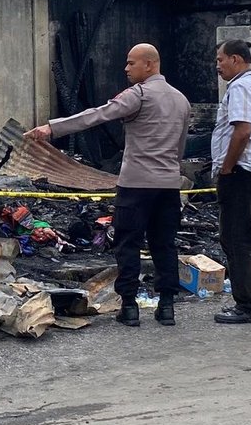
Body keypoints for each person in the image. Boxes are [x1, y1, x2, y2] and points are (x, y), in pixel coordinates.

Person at [25, 43, 190, 328]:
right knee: (165, 245)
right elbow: (180, 146)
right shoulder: (181, 100)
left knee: (128, 243)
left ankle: (129, 306)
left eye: (131, 63)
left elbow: (98, 114)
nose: (126, 69)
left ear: (149, 65)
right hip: (168, 185)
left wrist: (53, 128)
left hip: (136, 184)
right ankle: (166, 307)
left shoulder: (138, 95)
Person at [211, 39, 251, 324]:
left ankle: (248, 306)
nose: (218, 66)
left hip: (241, 173)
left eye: (220, 59)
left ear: (236, 59)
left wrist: (226, 168)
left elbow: (242, 131)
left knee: (236, 239)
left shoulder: (239, 87)